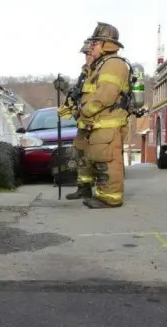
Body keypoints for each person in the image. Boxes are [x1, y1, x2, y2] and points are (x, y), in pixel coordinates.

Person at [76, 22, 130, 209]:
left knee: (109, 161)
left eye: (95, 43)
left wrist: (84, 111)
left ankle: (110, 198)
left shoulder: (114, 64)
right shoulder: (102, 65)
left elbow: (105, 96)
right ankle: (103, 195)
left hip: (107, 124)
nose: (91, 47)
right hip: (99, 124)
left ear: (107, 45)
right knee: (100, 160)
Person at [63, 40, 95, 200]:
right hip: (84, 124)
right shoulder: (85, 73)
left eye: (89, 53)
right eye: (85, 54)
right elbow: (78, 95)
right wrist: (65, 90)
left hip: (98, 123)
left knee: (97, 157)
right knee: (81, 157)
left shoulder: (101, 70)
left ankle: (105, 192)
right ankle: (84, 189)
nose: (86, 57)